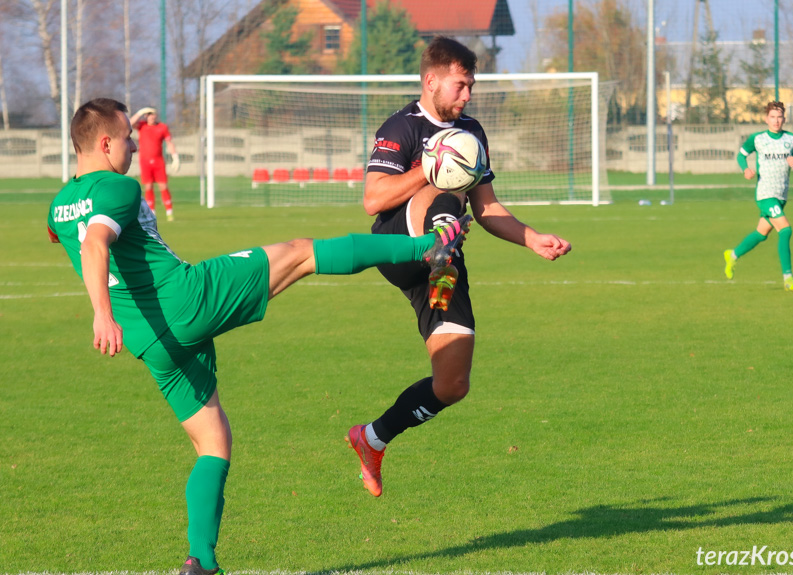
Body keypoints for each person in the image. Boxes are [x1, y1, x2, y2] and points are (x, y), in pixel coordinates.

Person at [47, 98, 469, 575]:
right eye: (125, 137)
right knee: (301, 253)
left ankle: (201, 561)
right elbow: (95, 241)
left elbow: (69, 234)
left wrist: (106, 300)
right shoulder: (120, 186)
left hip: (152, 341)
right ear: (105, 144)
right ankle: (428, 246)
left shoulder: (59, 204)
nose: (130, 144)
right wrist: (101, 314)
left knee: (213, 443)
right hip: (188, 299)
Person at [347, 37, 572, 498]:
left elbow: (486, 208)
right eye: (460, 85)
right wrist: (429, 168)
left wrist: (532, 238)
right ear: (431, 81)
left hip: (441, 264)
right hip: (399, 241)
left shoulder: (472, 132)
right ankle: (443, 237)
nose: (467, 95)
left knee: (452, 384)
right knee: (448, 187)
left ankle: (372, 439)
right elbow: (372, 199)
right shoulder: (402, 126)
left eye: (471, 86)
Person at [723, 100, 793, 291]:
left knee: (761, 233)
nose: (776, 121)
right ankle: (788, 278)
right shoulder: (757, 139)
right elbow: (740, 155)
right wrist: (745, 170)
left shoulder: (792, 140)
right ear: (766, 119)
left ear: (784, 118)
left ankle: (733, 255)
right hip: (765, 194)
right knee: (785, 230)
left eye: (779, 117)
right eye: (772, 117)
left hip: (781, 195)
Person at [129, 106, 179, 221]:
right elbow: (130, 123)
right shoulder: (141, 125)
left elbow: (169, 142)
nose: (151, 116)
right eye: (149, 114)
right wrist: (140, 112)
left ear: (156, 115)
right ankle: (152, 212)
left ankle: (169, 211)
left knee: (163, 186)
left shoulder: (162, 127)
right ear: (146, 116)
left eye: (153, 114)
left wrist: (175, 157)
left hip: (158, 161)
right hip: (145, 162)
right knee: (148, 187)